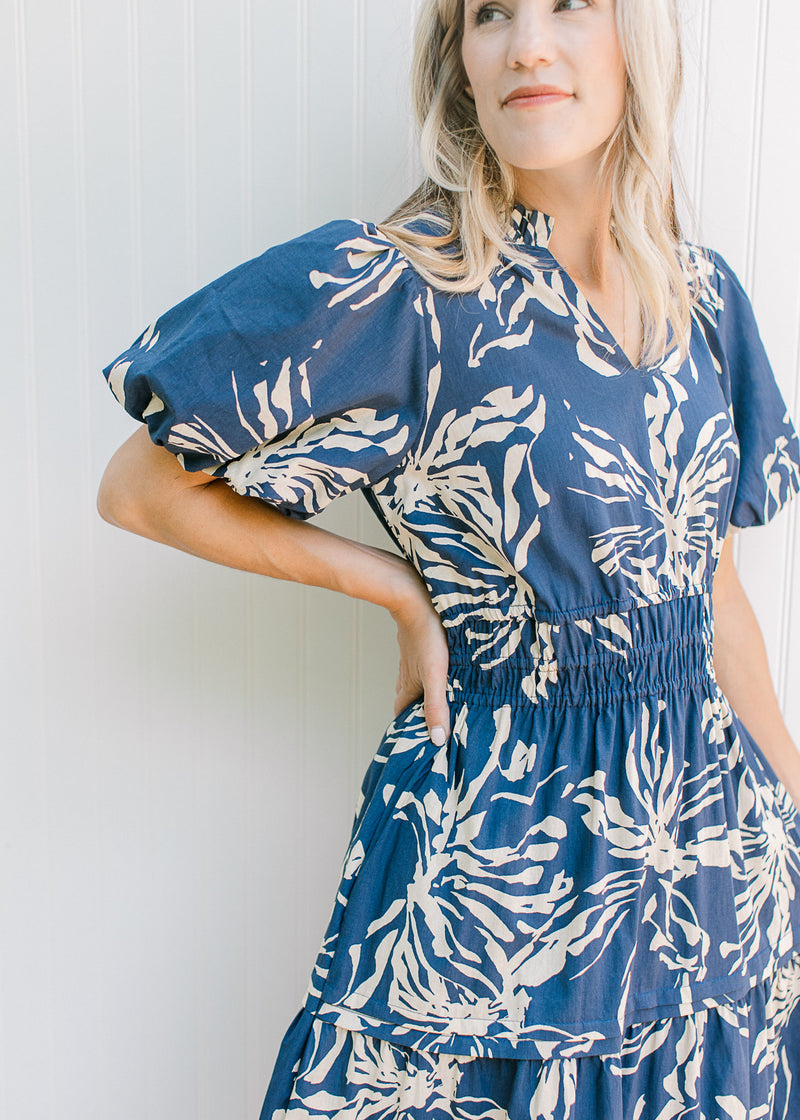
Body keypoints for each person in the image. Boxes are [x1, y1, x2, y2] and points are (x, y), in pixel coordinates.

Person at [97, 0, 800, 1116]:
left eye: (567, 5)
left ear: (635, 44)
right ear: (457, 61)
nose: (526, 42)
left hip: (714, 858)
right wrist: (393, 588)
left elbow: (708, 592)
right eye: (488, 14)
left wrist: (788, 822)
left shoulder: (699, 298)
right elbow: (139, 489)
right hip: (502, 867)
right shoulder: (404, 289)